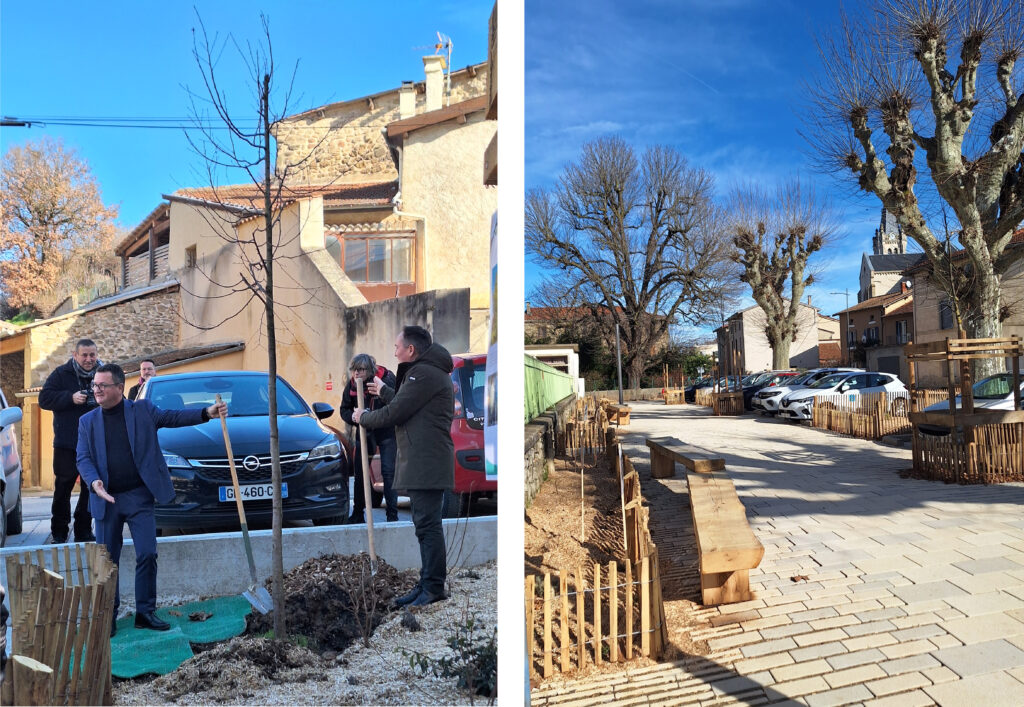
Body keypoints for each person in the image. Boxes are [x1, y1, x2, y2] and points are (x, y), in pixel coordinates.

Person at [75, 363, 226, 636]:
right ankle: (107, 615)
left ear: (119, 388)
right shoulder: (87, 422)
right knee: (107, 560)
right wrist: (94, 482)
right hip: (105, 499)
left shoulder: (142, 411)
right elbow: (83, 458)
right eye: (94, 385)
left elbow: (173, 417)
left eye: (102, 386)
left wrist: (206, 413)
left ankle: (145, 612)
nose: (96, 390)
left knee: (147, 552)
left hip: (138, 496)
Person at [354, 325, 453, 607]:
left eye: (398, 347)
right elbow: (406, 404)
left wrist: (363, 417)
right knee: (424, 525)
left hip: (427, 462)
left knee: (428, 526)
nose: (394, 351)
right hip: (425, 461)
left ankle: (433, 588)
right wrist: (385, 390)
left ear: (411, 350)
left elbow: (395, 413)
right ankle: (427, 584)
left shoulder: (423, 374)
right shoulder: (425, 373)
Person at [38, 338, 102, 544]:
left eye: (92, 355)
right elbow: (44, 399)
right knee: (63, 488)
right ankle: (59, 532)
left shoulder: (104, 374)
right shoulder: (61, 374)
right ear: (75, 355)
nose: (89, 359)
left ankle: (83, 530)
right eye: (84, 355)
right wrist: (69, 398)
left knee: (90, 488)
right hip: (67, 444)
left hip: (94, 444)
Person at [339, 353, 399, 523]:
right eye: (354, 370)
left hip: (387, 431)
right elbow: (344, 409)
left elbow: (397, 403)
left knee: (388, 472)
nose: (357, 373)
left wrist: (379, 402)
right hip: (365, 432)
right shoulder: (351, 385)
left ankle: (392, 515)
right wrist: (354, 417)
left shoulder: (385, 379)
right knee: (360, 472)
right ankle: (358, 513)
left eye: (361, 370)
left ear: (371, 370)